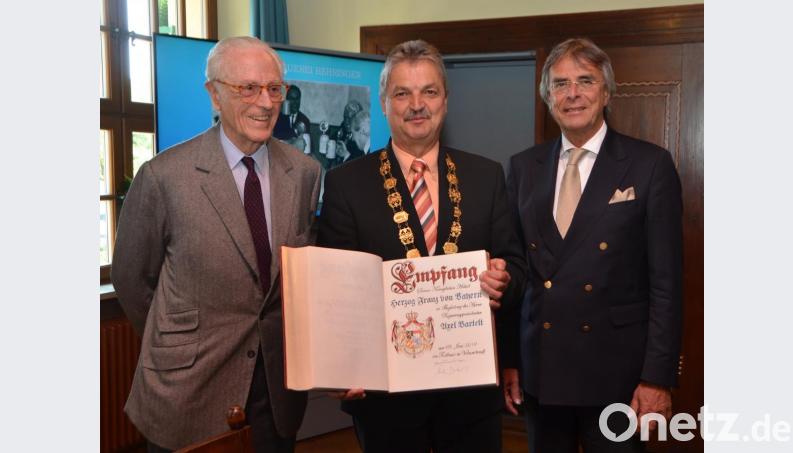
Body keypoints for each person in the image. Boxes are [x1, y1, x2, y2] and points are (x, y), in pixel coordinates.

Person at [111, 36, 322, 453]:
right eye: (247, 88)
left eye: (273, 88)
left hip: (273, 394)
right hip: (189, 391)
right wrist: (178, 340)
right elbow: (132, 279)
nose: (264, 102)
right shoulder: (163, 176)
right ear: (214, 93)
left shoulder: (304, 173)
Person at [317, 39, 526, 453]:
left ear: (445, 100)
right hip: (386, 401)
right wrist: (340, 367)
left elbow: (518, 269)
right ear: (383, 103)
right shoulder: (346, 183)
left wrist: (504, 280)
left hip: (470, 396)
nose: (417, 105)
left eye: (429, 91)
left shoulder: (485, 176)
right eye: (403, 93)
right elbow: (334, 294)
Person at [506, 37, 683, 452]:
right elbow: (518, 274)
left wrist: (657, 377)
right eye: (560, 84)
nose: (572, 95)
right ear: (548, 97)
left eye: (585, 81)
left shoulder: (649, 165)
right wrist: (510, 360)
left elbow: (667, 284)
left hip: (617, 375)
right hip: (542, 372)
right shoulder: (522, 167)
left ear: (606, 91)